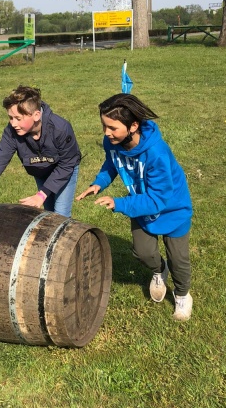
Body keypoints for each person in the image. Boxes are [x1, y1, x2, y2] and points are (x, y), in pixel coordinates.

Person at [76, 93, 193, 321]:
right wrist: (98, 183)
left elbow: (159, 199)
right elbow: (112, 163)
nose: (106, 132)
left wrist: (119, 203)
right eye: (103, 125)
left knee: (179, 261)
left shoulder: (156, 153)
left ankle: (182, 296)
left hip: (172, 210)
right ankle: (159, 271)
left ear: (133, 126)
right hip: (142, 206)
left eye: (112, 127)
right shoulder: (113, 142)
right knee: (142, 252)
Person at [0, 85, 81, 218]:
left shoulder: (60, 128)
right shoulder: (12, 132)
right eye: (10, 118)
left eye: (18, 118)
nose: (13, 123)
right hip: (40, 170)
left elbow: (67, 163)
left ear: (36, 115)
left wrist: (41, 194)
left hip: (64, 169)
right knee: (49, 214)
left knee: (60, 215)